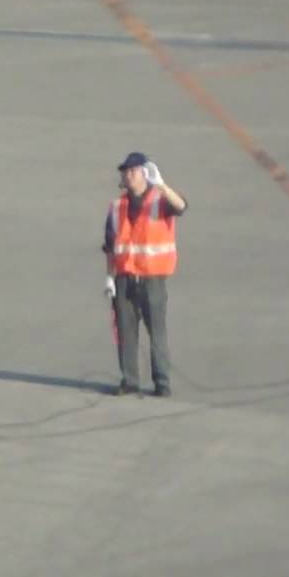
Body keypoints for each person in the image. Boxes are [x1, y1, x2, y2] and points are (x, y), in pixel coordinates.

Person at [102, 152, 188, 397]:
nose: (128, 175)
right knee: (125, 332)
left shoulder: (159, 201)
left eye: (133, 171)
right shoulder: (117, 206)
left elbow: (181, 206)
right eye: (125, 172)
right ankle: (129, 380)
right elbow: (109, 245)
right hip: (124, 278)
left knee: (156, 331)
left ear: (145, 173)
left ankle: (162, 382)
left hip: (152, 279)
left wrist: (160, 183)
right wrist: (109, 277)